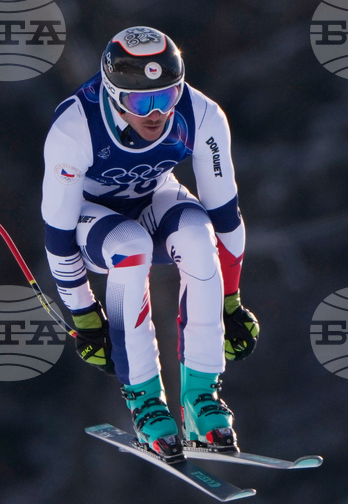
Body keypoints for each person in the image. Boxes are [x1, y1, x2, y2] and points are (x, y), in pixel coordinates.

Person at [41, 26, 258, 460]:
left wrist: (230, 299)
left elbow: (226, 216)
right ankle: (145, 403)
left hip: (156, 196)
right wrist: (83, 314)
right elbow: (59, 238)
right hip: (94, 217)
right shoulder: (75, 128)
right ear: (114, 95)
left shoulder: (201, 115)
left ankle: (201, 399)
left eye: (167, 96)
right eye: (142, 101)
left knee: (199, 236)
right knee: (131, 246)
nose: (157, 113)